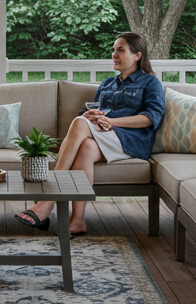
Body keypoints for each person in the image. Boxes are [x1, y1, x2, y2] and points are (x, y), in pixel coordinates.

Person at [14, 32, 165, 236]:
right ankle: (77, 221)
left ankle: (48, 200)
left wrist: (110, 122)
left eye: (120, 50)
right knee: (85, 146)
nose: (114, 54)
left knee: (79, 123)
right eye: (113, 49)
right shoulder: (107, 84)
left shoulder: (149, 82)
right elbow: (90, 117)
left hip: (132, 140)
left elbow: (150, 117)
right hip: (105, 138)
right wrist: (91, 116)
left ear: (137, 55)